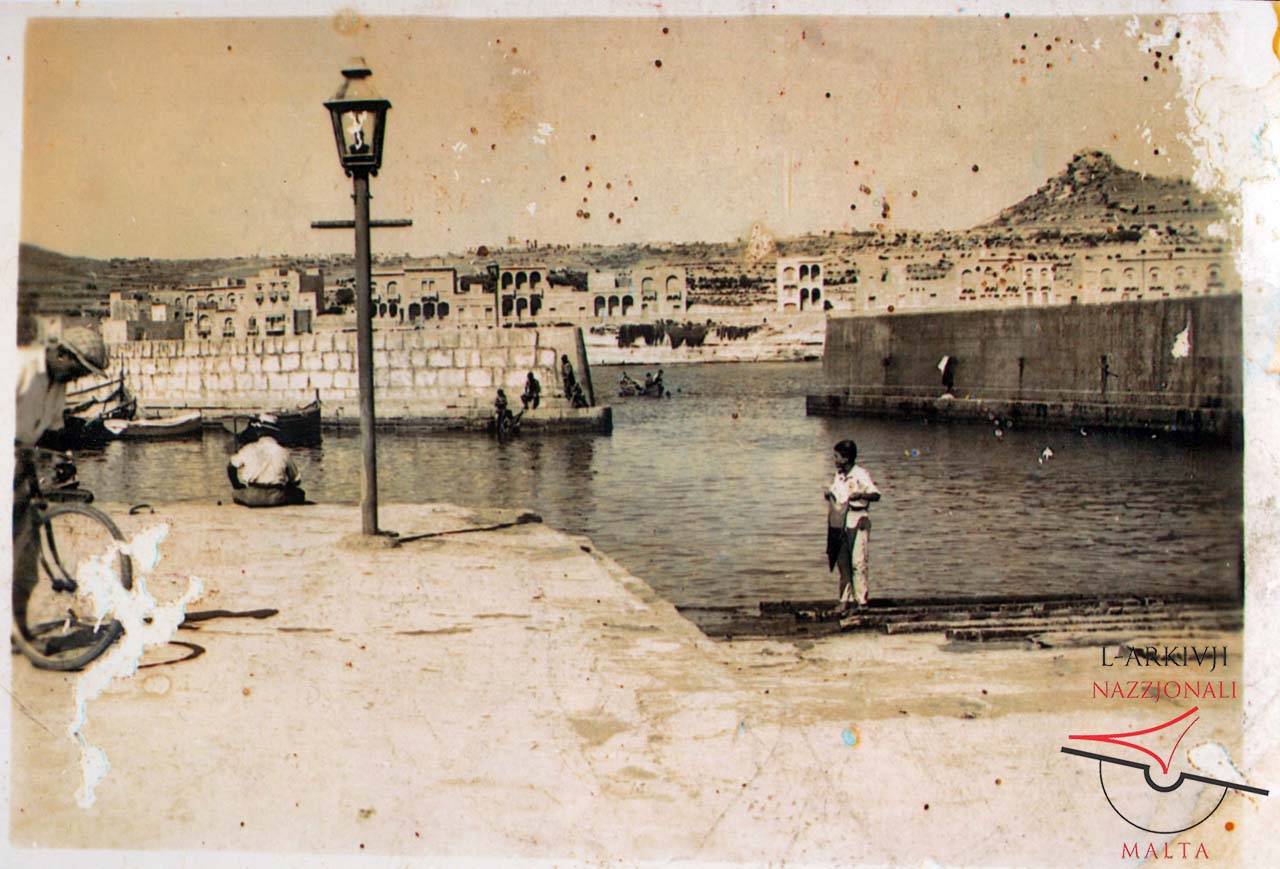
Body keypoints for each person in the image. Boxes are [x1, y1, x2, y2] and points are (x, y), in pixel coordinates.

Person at [13, 327, 110, 625]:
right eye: (78, 369)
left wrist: (62, 458)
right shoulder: (20, 367)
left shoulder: (58, 385)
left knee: (26, 559)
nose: (79, 378)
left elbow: (53, 434)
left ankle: (15, 631)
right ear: (62, 354)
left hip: (19, 469)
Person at [825, 439, 880, 610]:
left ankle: (861, 601)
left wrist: (860, 494)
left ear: (846, 458)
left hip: (858, 519)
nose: (834, 460)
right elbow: (837, 495)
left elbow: (876, 494)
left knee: (858, 562)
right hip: (840, 521)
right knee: (843, 562)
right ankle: (844, 600)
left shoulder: (860, 474)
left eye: (837, 457)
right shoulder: (839, 476)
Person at [227, 421, 305, 507]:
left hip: (253, 496)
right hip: (276, 497)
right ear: (275, 433)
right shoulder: (283, 451)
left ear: (259, 432)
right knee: (300, 493)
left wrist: (237, 485)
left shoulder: (249, 449)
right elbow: (296, 480)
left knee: (235, 493)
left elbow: (231, 466)